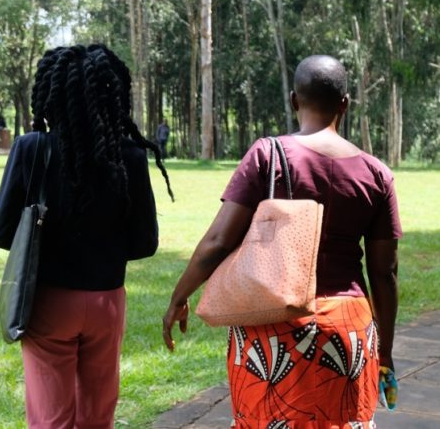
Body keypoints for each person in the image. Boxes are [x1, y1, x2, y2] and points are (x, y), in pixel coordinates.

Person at [162, 55, 401, 428]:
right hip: (349, 329)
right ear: (345, 104)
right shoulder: (377, 174)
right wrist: (383, 348)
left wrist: (180, 297)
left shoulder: (267, 155)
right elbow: (384, 273)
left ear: (293, 100)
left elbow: (219, 241)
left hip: (274, 329)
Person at [0, 44, 173, 428]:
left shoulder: (31, 149)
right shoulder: (130, 156)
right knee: (97, 415)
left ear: (51, 96)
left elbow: (1, 233)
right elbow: (146, 243)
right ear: (110, 93)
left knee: (50, 418)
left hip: (46, 302)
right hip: (107, 302)